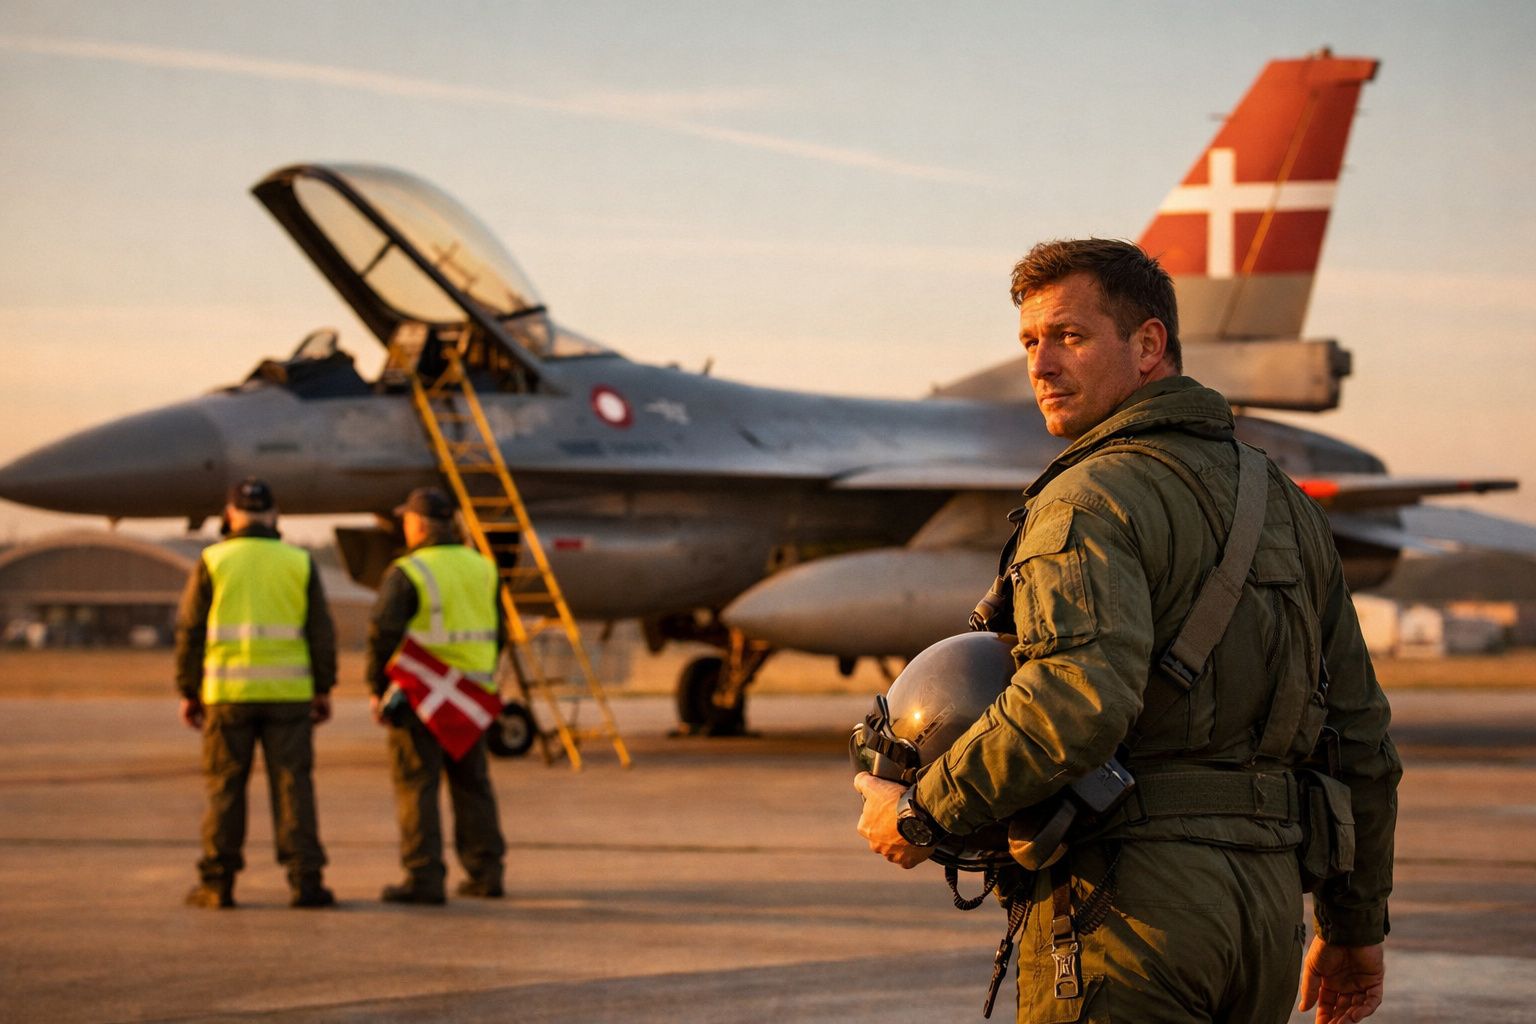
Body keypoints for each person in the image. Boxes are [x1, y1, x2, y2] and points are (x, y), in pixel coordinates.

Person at [854, 238, 1400, 1024]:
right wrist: (1354, 927)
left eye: (1069, 337)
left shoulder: (1085, 499)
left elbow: (1074, 702)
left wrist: (923, 811)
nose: (1039, 366)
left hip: (1129, 913)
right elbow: (1361, 739)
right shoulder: (1286, 503)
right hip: (1265, 922)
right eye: (1029, 343)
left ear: (1149, 344)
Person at [176, 477, 337, 909]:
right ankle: (306, 882)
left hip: (227, 695)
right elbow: (321, 633)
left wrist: (189, 691)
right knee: (294, 787)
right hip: (289, 695)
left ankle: (217, 883)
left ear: (230, 516)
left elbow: (190, 631)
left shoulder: (212, 561)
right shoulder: (298, 562)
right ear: (274, 515)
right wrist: (323, 687)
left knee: (225, 789)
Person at [367, 486, 507, 904]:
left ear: (419, 524)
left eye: (406, 520)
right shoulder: (484, 568)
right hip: (469, 697)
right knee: (473, 786)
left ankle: (424, 878)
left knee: (417, 786)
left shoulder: (408, 571)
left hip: (419, 698)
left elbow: (383, 634)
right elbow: (498, 633)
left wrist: (377, 689)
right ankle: (487, 873)